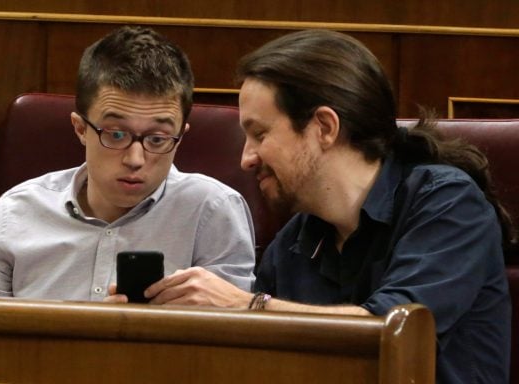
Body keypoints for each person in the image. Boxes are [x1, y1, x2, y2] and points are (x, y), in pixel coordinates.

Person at [140, 30, 512, 383]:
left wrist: (249, 308)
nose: (246, 159)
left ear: (324, 127)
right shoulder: (292, 243)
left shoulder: (448, 201)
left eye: (260, 134)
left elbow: (393, 331)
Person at [0, 25, 255, 300]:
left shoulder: (214, 213)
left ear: (181, 136)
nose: (135, 160)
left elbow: (232, 340)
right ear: (80, 129)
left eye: (158, 139)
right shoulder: (13, 215)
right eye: (116, 134)